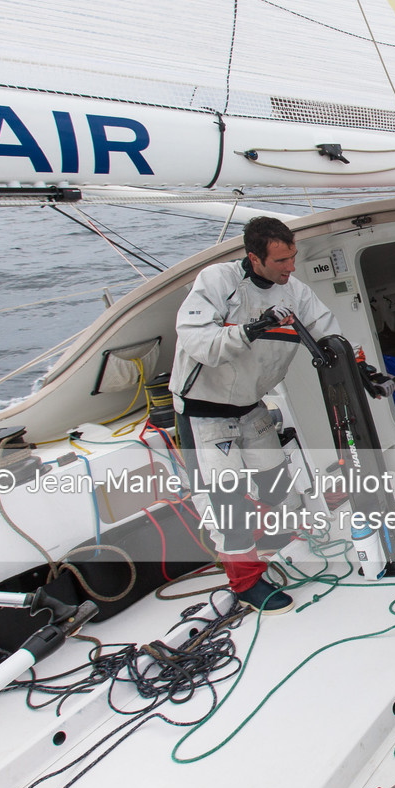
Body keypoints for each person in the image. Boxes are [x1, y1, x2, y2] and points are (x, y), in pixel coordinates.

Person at [169, 216, 340, 613]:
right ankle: (246, 584)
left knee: (276, 486)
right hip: (204, 413)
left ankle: (266, 542)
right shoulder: (217, 282)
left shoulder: (294, 292)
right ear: (254, 258)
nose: (290, 267)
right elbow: (199, 343)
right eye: (281, 261)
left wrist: (354, 365)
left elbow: (327, 331)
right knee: (228, 504)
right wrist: (251, 328)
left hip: (249, 405)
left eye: (293, 257)